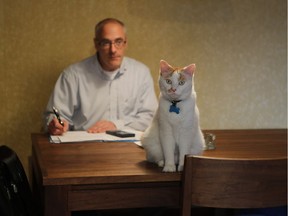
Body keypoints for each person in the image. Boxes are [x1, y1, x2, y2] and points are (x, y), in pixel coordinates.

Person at [44, 18, 158, 135]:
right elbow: (55, 115)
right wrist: (57, 124)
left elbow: (150, 116)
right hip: (84, 146)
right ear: (96, 44)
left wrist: (116, 125)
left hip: (129, 146)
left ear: (125, 43)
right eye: (106, 43)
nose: (113, 50)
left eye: (118, 42)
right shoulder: (72, 76)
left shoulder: (141, 73)